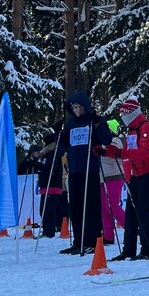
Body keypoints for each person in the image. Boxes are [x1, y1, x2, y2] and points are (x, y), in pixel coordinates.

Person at [55, 92, 112, 256]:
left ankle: (93, 241)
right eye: (74, 107)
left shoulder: (95, 120)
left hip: (90, 169)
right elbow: (64, 146)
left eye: (80, 106)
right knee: (76, 206)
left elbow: (106, 140)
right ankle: (78, 241)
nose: (78, 110)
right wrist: (60, 136)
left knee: (91, 206)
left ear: (85, 106)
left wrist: (98, 124)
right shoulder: (71, 123)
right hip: (75, 169)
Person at [107, 99, 149, 261]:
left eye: (125, 113)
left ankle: (147, 250)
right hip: (135, 175)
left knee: (143, 211)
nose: (122, 116)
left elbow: (143, 152)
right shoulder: (131, 130)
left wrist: (119, 153)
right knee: (131, 214)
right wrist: (108, 152)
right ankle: (128, 250)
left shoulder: (146, 127)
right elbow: (128, 153)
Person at [100, 119, 128, 246]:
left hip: (113, 176)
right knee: (104, 209)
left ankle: (131, 228)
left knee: (112, 206)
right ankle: (108, 236)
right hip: (102, 177)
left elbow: (114, 154)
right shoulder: (102, 141)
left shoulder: (115, 140)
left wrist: (102, 150)